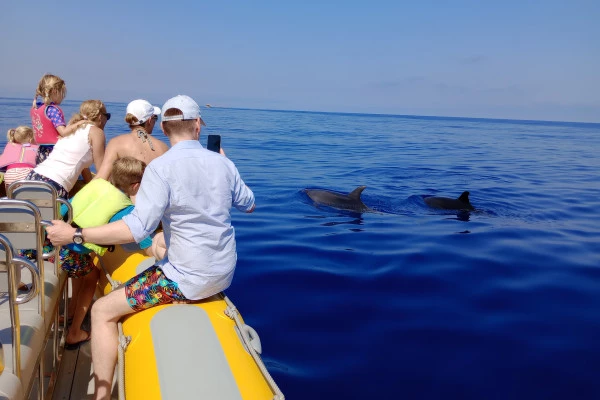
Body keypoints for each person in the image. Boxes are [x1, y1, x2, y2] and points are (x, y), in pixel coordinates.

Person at [46, 95, 255, 399]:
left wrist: (76, 234)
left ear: (166, 128)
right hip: (224, 273)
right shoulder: (222, 163)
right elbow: (249, 204)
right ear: (198, 125)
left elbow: (137, 227)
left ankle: (100, 397)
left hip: (186, 280)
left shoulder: (161, 168)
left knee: (103, 311)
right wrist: (225, 162)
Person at [23, 99, 107, 348]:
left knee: (32, 239)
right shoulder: (97, 132)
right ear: (100, 116)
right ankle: (73, 327)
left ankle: (61, 308)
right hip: (52, 190)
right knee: (74, 257)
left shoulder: (72, 128)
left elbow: (82, 169)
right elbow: (101, 173)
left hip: (32, 180)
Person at [94, 99, 169, 185]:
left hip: (131, 196)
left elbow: (101, 178)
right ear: (149, 120)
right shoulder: (163, 147)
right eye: (155, 118)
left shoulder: (116, 143)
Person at [30, 74, 86, 163]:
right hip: (54, 152)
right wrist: (81, 123)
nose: (63, 96)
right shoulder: (52, 110)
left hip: (41, 151)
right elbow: (63, 132)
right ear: (55, 91)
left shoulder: (37, 108)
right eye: (62, 93)